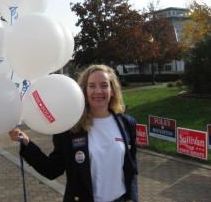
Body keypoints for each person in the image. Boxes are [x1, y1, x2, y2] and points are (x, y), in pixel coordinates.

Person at [9, 64, 138, 202]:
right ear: (84, 90)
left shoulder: (127, 124)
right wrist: (28, 144)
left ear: (112, 90)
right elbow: (52, 170)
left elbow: (131, 166)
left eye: (104, 85)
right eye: (92, 86)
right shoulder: (70, 127)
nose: (98, 91)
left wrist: (132, 197)